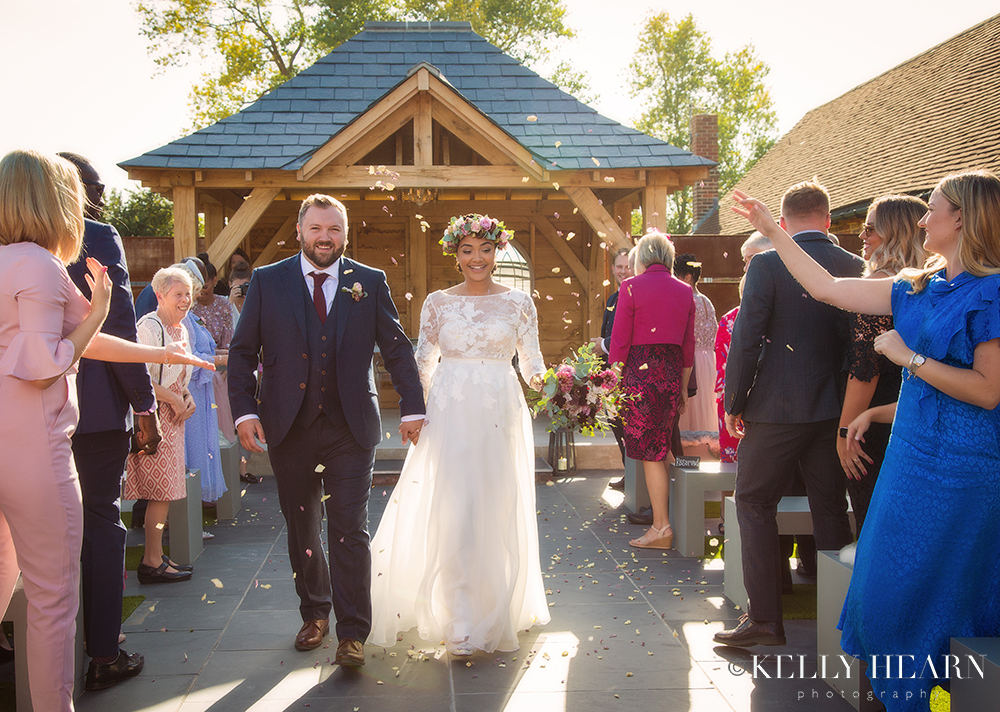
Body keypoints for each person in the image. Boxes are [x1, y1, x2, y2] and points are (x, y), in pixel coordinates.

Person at [733, 171, 1000, 709]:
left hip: (967, 468)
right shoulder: (916, 285)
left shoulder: (992, 292)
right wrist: (772, 229)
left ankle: (939, 697)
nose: (924, 218)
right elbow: (827, 288)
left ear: (964, 219)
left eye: (934, 209)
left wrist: (909, 359)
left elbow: (989, 392)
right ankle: (905, 694)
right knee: (879, 597)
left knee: (953, 597)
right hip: (910, 459)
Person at [0, 149, 210, 712]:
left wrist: (165, 354)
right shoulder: (42, 265)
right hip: (34, 453)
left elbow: (98, 341)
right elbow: (48, 364)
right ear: (54, 199)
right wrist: (98, 308)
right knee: (52, 598)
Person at [228, 194, 424, 666]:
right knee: (302, 525)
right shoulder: (268, 281)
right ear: (299, 231)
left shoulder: (369, 282)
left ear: (345, 234)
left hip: (350, 427)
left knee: (349, 529)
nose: (324, 237)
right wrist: (243, 412)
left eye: (334, 229)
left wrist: (414, 407)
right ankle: (314, 613)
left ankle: (353, 632)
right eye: (316, 228)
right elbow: (241, 352)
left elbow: (396, 349)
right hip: (288, 424)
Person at [369, 214, 550, 657]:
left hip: (499, 413)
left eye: (485, 250)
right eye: (467, 250)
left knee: (492, 504)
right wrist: (416, 413)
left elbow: (532, 366)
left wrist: (564, 384)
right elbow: (422, 363)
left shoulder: (520, 303)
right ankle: (459, 617)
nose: (477, 259)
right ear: (455, 254)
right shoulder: (436, 303)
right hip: (449, 413)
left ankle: (492, 606)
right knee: (454, 507)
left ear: (497, 252)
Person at [715, 180, 862, 648]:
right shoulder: (856, 266)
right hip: (835, 411)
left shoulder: (767, 263)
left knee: (754, 503)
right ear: (827, 219)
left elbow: (748, 338)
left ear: (782, 221)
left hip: (776, 409)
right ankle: (843, 619)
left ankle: (765, 621)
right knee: (831, 508)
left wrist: (733, 402)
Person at [55, 152, 160, 690]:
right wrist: (144, 406)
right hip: (92, 409)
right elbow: (117, 323)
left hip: (26, 407)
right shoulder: (96, 236)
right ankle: (102, 654)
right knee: (99, 523)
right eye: (94, 186)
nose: (101, 197)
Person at [837, 195, 927, 534]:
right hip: (910, 412)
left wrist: (845, 431)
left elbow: (865, 368)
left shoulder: (877, 286)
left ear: (895, 234)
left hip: (870, 423)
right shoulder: (927, 285)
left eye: (870, 229)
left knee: (874, 524)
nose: (862, 236)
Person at [609, 232, 695, 550]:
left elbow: (619, 342)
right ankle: (681, 509)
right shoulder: (685, 291)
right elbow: (689, 348)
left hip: (640, 374)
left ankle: (661, 527)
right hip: (671, 374)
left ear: (641, 258)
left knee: (650, 453)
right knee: (662, 447)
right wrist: (684, 388)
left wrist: (613, 383)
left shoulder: (630, 288)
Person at [125, 264, 208, 583]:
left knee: (169, 492)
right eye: (178, 295)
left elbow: (179, 375)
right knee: (159, 493)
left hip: (174, 418)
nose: (186, 300)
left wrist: (185, 396)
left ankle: (157, 556)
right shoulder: (149, 327)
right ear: (159, 295)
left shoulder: (181, 328)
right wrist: (173, 400)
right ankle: (150, 561)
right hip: (155, 417)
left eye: (188, 294)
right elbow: (139, 378)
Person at [715, 233, 772, 463]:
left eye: (752, 259)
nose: (747, 267)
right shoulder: (730, 321)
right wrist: (731, 405)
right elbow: (725, 369)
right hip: (738, 405)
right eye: (745, 261)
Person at [591, 246, 632, 490]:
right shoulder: (612, 299)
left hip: (630, 372)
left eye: (627, 266)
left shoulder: (635, 296)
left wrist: (603, 345)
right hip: (610, 374)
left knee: (628, 426)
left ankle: (637, 479)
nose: (623, 271)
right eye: (619, 267)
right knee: (615, 424)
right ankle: (629, 472)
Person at [674, 253, 718, 443]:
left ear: (687, 277)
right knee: (705, 409)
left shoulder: (685, 299)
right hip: (709, 361)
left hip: (693, 362)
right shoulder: (706, 301)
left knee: (690, 411)